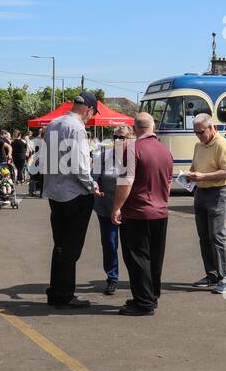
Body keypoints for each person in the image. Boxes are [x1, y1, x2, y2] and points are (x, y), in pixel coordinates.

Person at [41, 92, 102, 309]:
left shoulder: (54, 124)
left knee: (60, 245)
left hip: (55, 192)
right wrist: (92, 186)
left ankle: (56, 291)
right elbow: (79, 165)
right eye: (92, 115)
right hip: (74, 194)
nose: (90, 119)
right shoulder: (76, 128)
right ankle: (64, 294)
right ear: (89, 110)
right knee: (70, 248)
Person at [111, 112, 174, 316]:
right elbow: (169, 182)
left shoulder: (132, 149)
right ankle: (150, 295)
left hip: (137, 212)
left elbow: (125, 183)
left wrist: (116, 207)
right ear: (153, 127)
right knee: (155, 257)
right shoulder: (165, 150)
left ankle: (144, 301)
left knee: (137, 257)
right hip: (160, 212)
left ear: (135, 128)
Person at [185, 113, 226, 295]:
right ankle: (212, 274)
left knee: (216, 236)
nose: (199, 136)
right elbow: (195, 167)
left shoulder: (221, 144)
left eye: (201, 132)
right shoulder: (199, 145)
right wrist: (190, 174)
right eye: (196, 133)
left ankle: (225, 277)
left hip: (218, 192)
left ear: (213, 127)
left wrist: (203, 176)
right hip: (201, 191)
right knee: (204, 236)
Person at [91, 125, 131, 296]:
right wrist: (95, 185)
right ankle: (112, 278)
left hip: (129, 209)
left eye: (122, 137)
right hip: (106, 207)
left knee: (131, 247)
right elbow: (94, 177)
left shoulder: (134, 157)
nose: (118, 141)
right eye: (115, 137)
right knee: (109, 243)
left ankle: (136, 279)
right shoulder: (103, 156)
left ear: (130, 138)